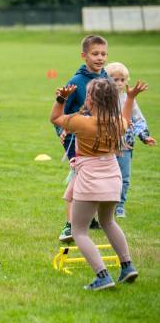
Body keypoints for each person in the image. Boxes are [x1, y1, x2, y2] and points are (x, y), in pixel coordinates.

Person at [50, 78, 147, 290]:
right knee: (109, 222)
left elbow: (55, 118)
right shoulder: (117, 124)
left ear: (91, 100)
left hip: (89, 180)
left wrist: (61, 99)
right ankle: (127, 265)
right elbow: (126, 117)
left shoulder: (82, 123)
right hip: (113, 179)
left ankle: (102, 276)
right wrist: (130, 98)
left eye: (87, 95)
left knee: (79, 231)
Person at [57, 35, 108, 243]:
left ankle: (92, 219)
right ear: (84, 55)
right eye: (95, 53)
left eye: (103, 54)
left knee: (98, 184)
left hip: (102, 144)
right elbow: (61, 116)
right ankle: (70, 225)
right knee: (76, 185)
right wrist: (63, 134)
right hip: (79, 144)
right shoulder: (76, 82)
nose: (100, 58)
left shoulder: (108, 79)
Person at [105, 62, 156, 218]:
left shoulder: (129, 98)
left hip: (125, 146)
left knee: (124, 177)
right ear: (106, 81)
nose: (119, 83)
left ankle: (120, 205)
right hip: (105, 146)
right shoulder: (103, 98)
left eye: (122, 79)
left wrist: (144, 136)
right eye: (115, 79)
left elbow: (138, 120)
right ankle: (104, 205)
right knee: (106, 177)